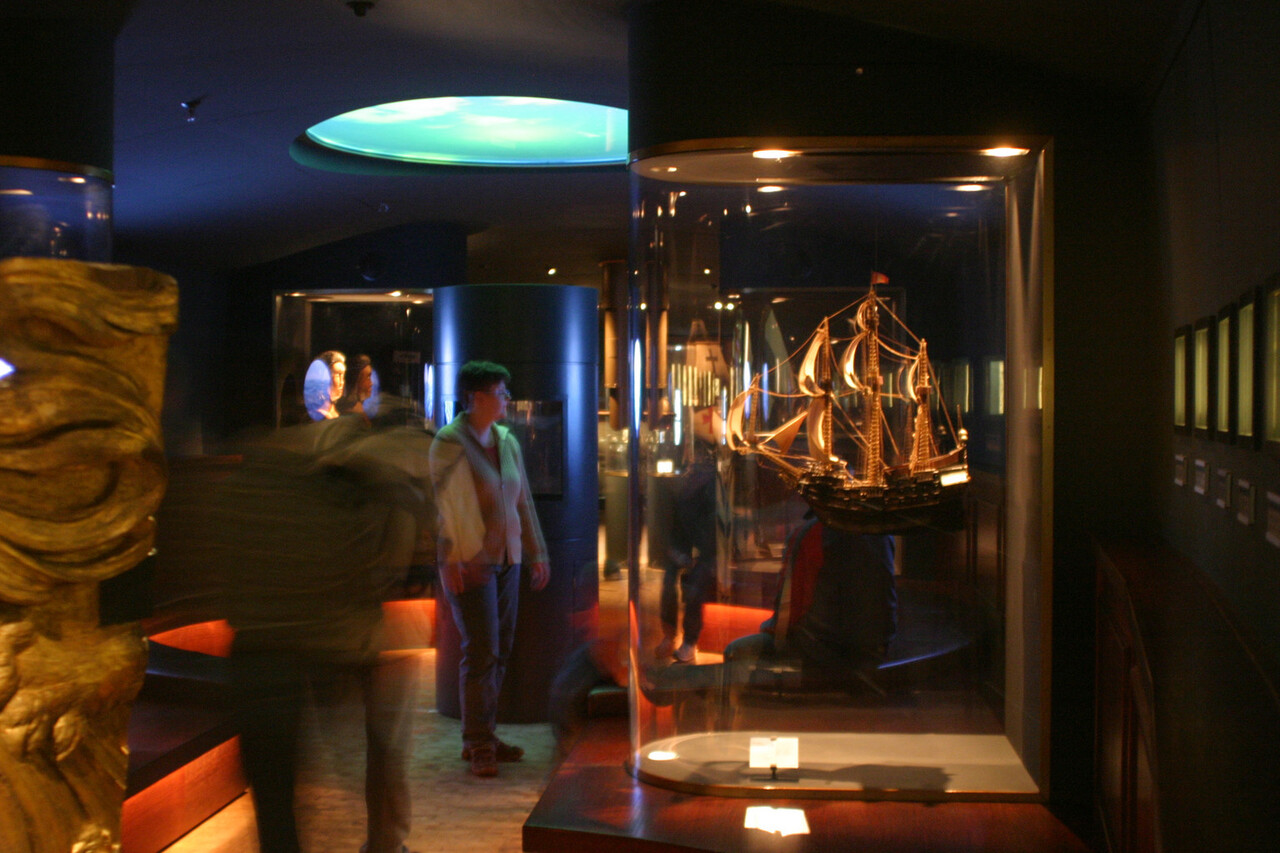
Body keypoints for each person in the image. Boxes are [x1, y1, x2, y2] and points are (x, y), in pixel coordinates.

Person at [214, 417, 432, 853]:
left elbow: (222, 568)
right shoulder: (350, 481)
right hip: (331, 642)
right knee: (376, 749)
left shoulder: (246, 481)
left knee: (274, 790)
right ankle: (385, 843)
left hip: (257, 646)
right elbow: (389, 554)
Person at [429, 360, 549, 777]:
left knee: (498, 650)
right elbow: (442, 509)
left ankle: (485, 734)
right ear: (476, 397)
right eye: (500, 392)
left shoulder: (507, 440)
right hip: (469, 564)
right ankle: (477, 742)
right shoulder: (449, 442)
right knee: (481, 651)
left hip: (507, 561)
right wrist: (452, 559)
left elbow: (523, 501)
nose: (507, 399)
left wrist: (537, 553)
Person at [723, 515, 897, 699]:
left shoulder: (812, 532)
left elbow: (787, 615)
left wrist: (767, 628)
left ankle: (746, 711)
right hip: (875, 649)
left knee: (735, 650)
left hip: (822, 651)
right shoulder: (881, 532)